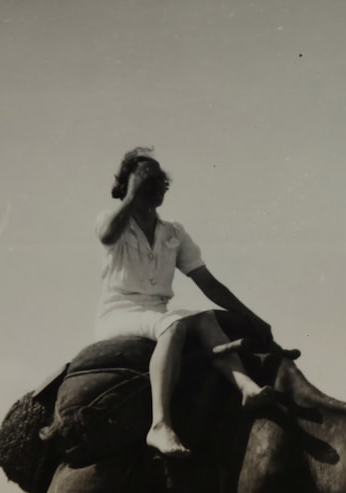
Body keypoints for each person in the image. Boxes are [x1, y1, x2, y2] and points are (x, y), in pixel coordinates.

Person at [94, 147, 275, 459]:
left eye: (159, 180)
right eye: (147, 180)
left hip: (157, 314)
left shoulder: (173, 231)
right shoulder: (114, 222)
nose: (157, 186)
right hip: (119, 312)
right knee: (175, 322)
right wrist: (132, 195)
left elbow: (207, 281)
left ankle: (246, 387)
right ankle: (159, 425)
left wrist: (250, 315)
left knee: (204, 318)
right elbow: (107, 236)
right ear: (130, 185)